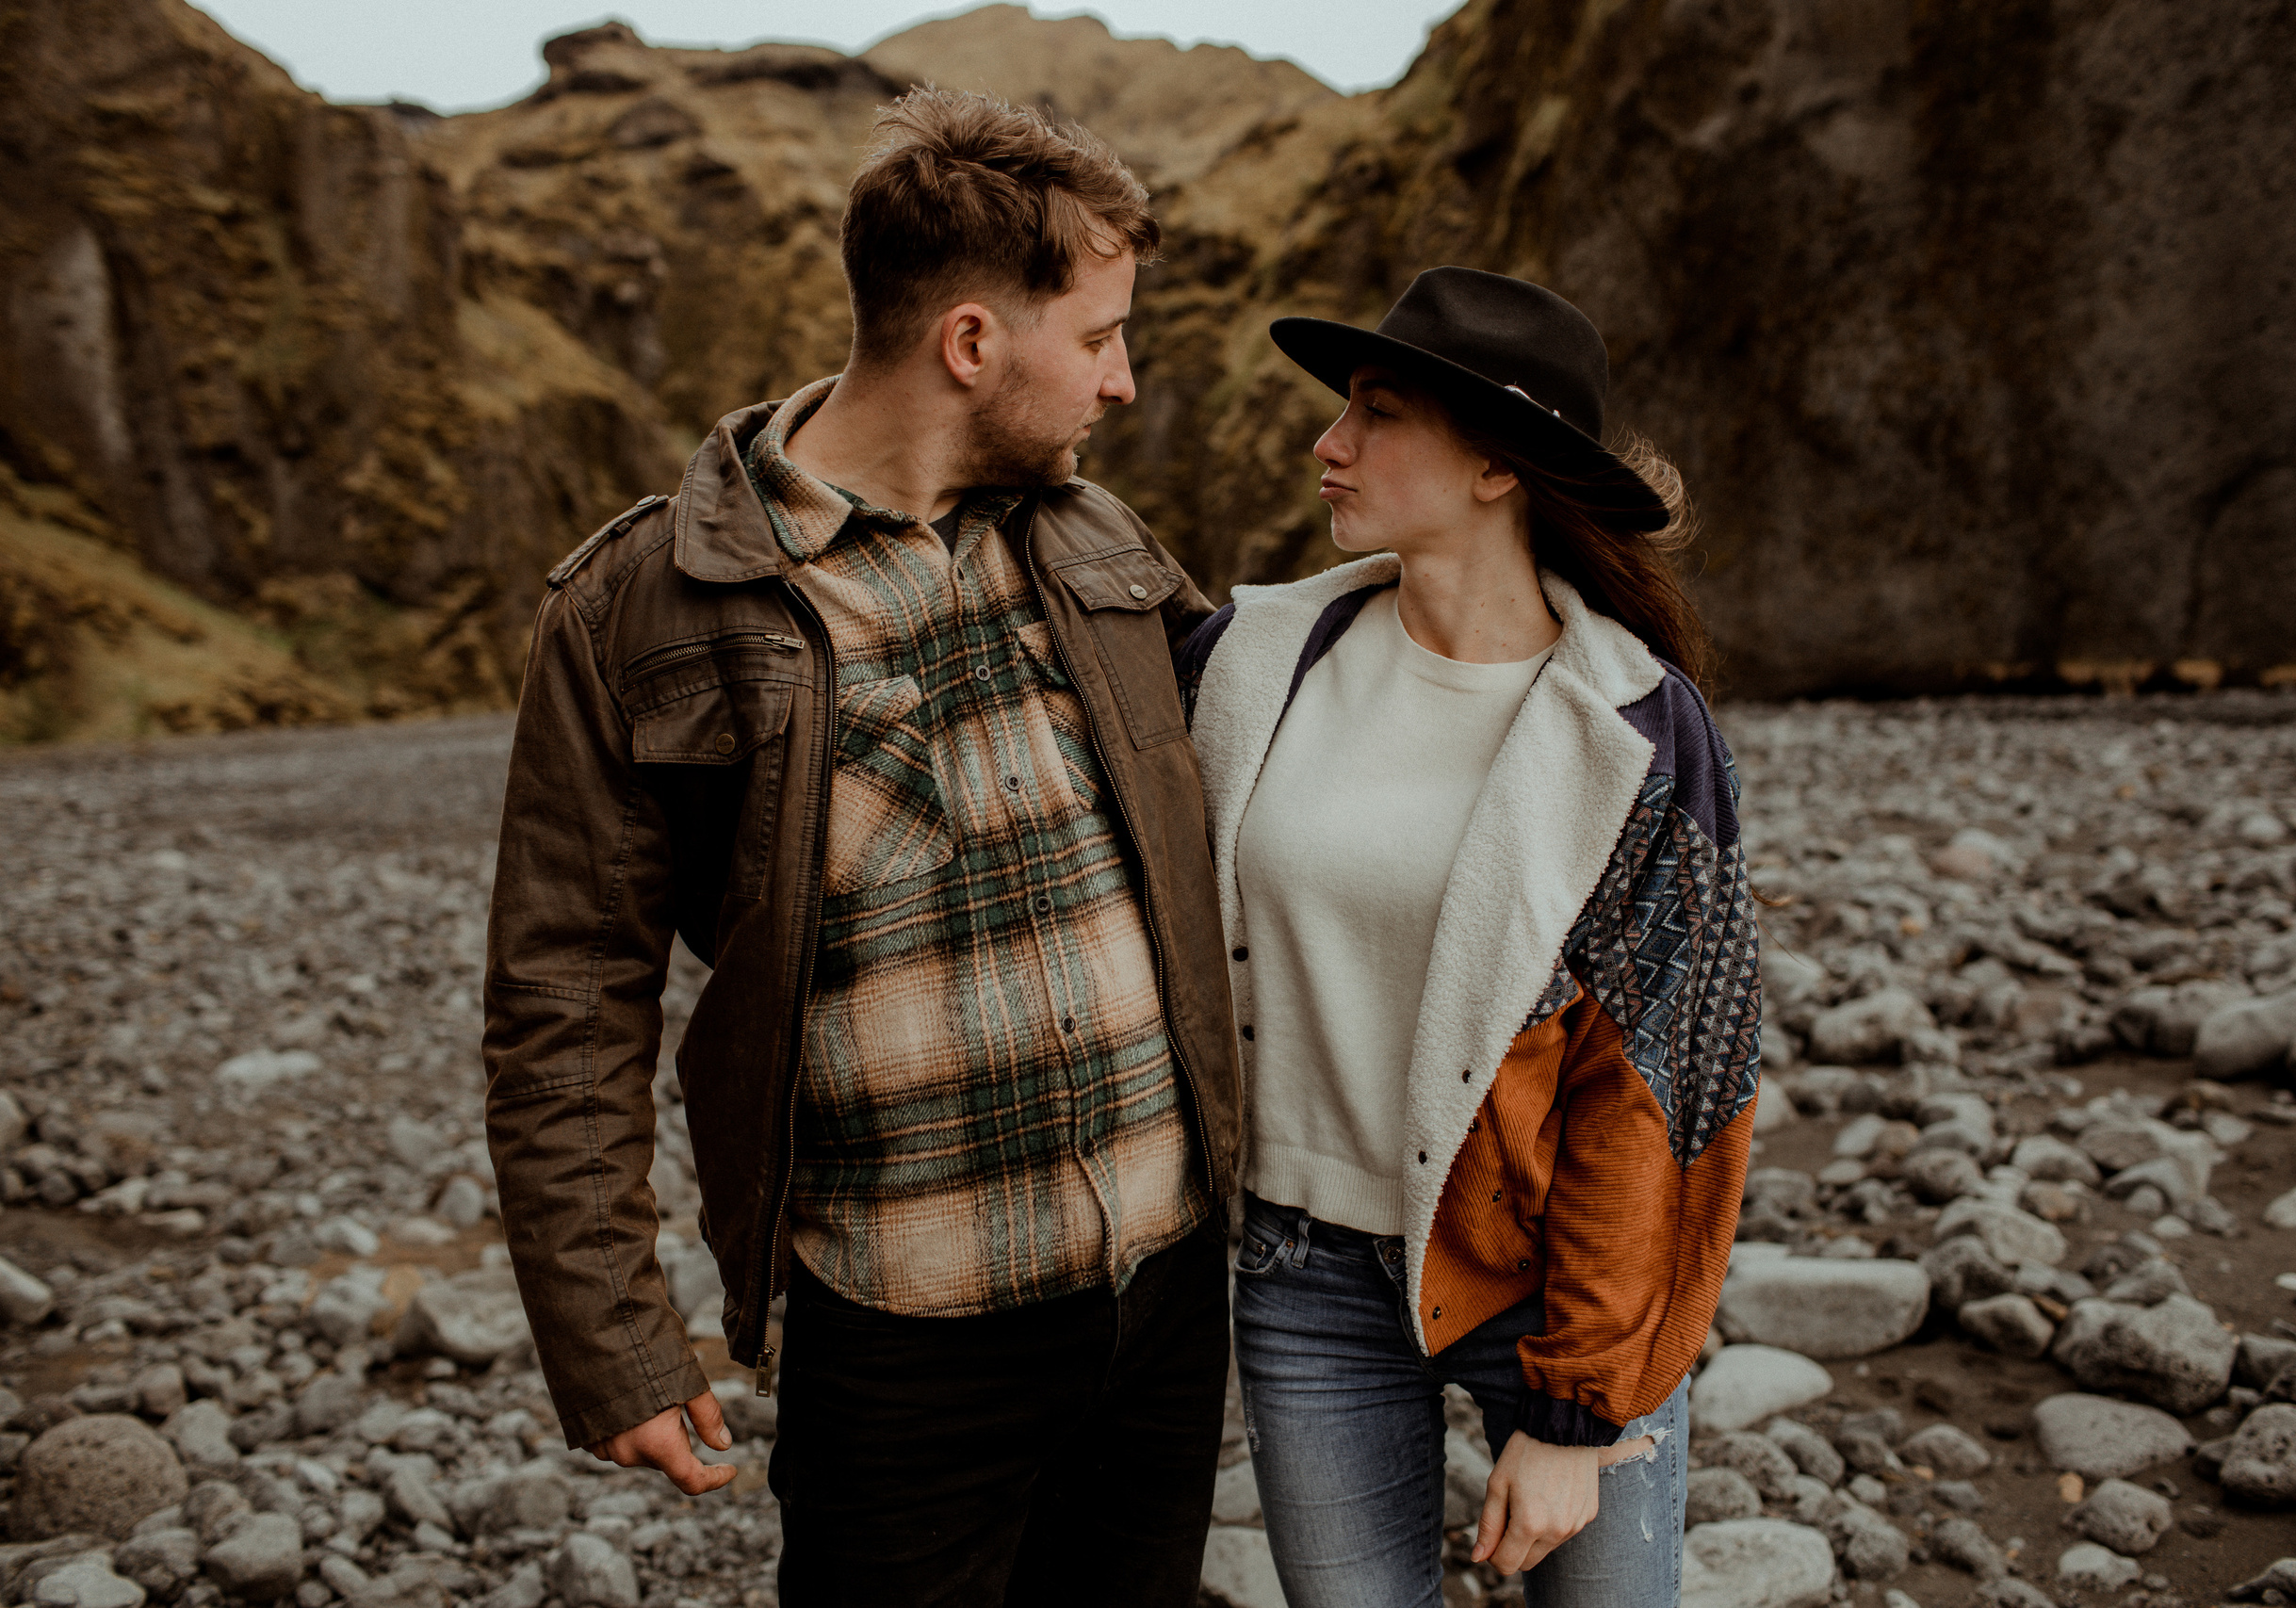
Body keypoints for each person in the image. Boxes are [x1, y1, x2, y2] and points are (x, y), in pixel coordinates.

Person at [481, 88, 1242, 1608]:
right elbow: (565, 993)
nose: (1122, 380)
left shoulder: (1097, 540)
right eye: (1098, 338)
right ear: (971, 342)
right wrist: (616, 1338)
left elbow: (1286, 757)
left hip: (1165, 1301)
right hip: (902, 1343)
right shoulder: (639, 608)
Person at [1175, 267, 1764, 1608]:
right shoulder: (1250, 662)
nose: (1328, 442)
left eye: (1378, 413)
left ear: (1499, 465)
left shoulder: (1635, 732)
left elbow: (1668, 1095)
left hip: (1551, 1278)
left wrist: (1578, 1411)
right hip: (1302, 1275)